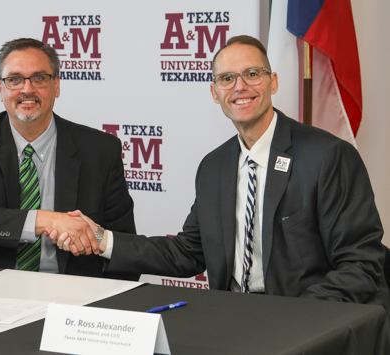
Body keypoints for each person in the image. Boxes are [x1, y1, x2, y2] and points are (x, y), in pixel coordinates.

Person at [53, 35, 390, 312]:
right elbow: (187, 253)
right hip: (233, 319)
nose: (240, 86)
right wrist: (102, 239)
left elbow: (361, 265)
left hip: (308, 320)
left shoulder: (327, 157)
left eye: (252, 74)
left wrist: (292, 319)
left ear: (273, 82)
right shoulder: (214, 167)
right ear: (215, 93)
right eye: (227, 79)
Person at [0, 38, 138, 280]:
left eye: (39, 78)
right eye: (14, 79)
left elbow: (124, 245)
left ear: (56, 85)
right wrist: (46, 220)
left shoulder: (100, 150)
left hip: (72, 291)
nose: (27, 89)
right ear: (0, 88)